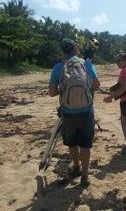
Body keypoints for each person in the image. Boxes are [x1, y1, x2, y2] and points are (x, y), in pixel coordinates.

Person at [48, 38, 100, 187]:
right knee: (85, 144)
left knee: (72, 141)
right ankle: (85, 176)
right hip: (86, 111)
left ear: (63, 51)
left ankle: (76, 165)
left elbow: (51, 92)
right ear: (76, 48)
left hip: (68, 112)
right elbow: (96, 86)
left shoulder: (59, 67)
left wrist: (61, 89)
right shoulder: (87, 64)